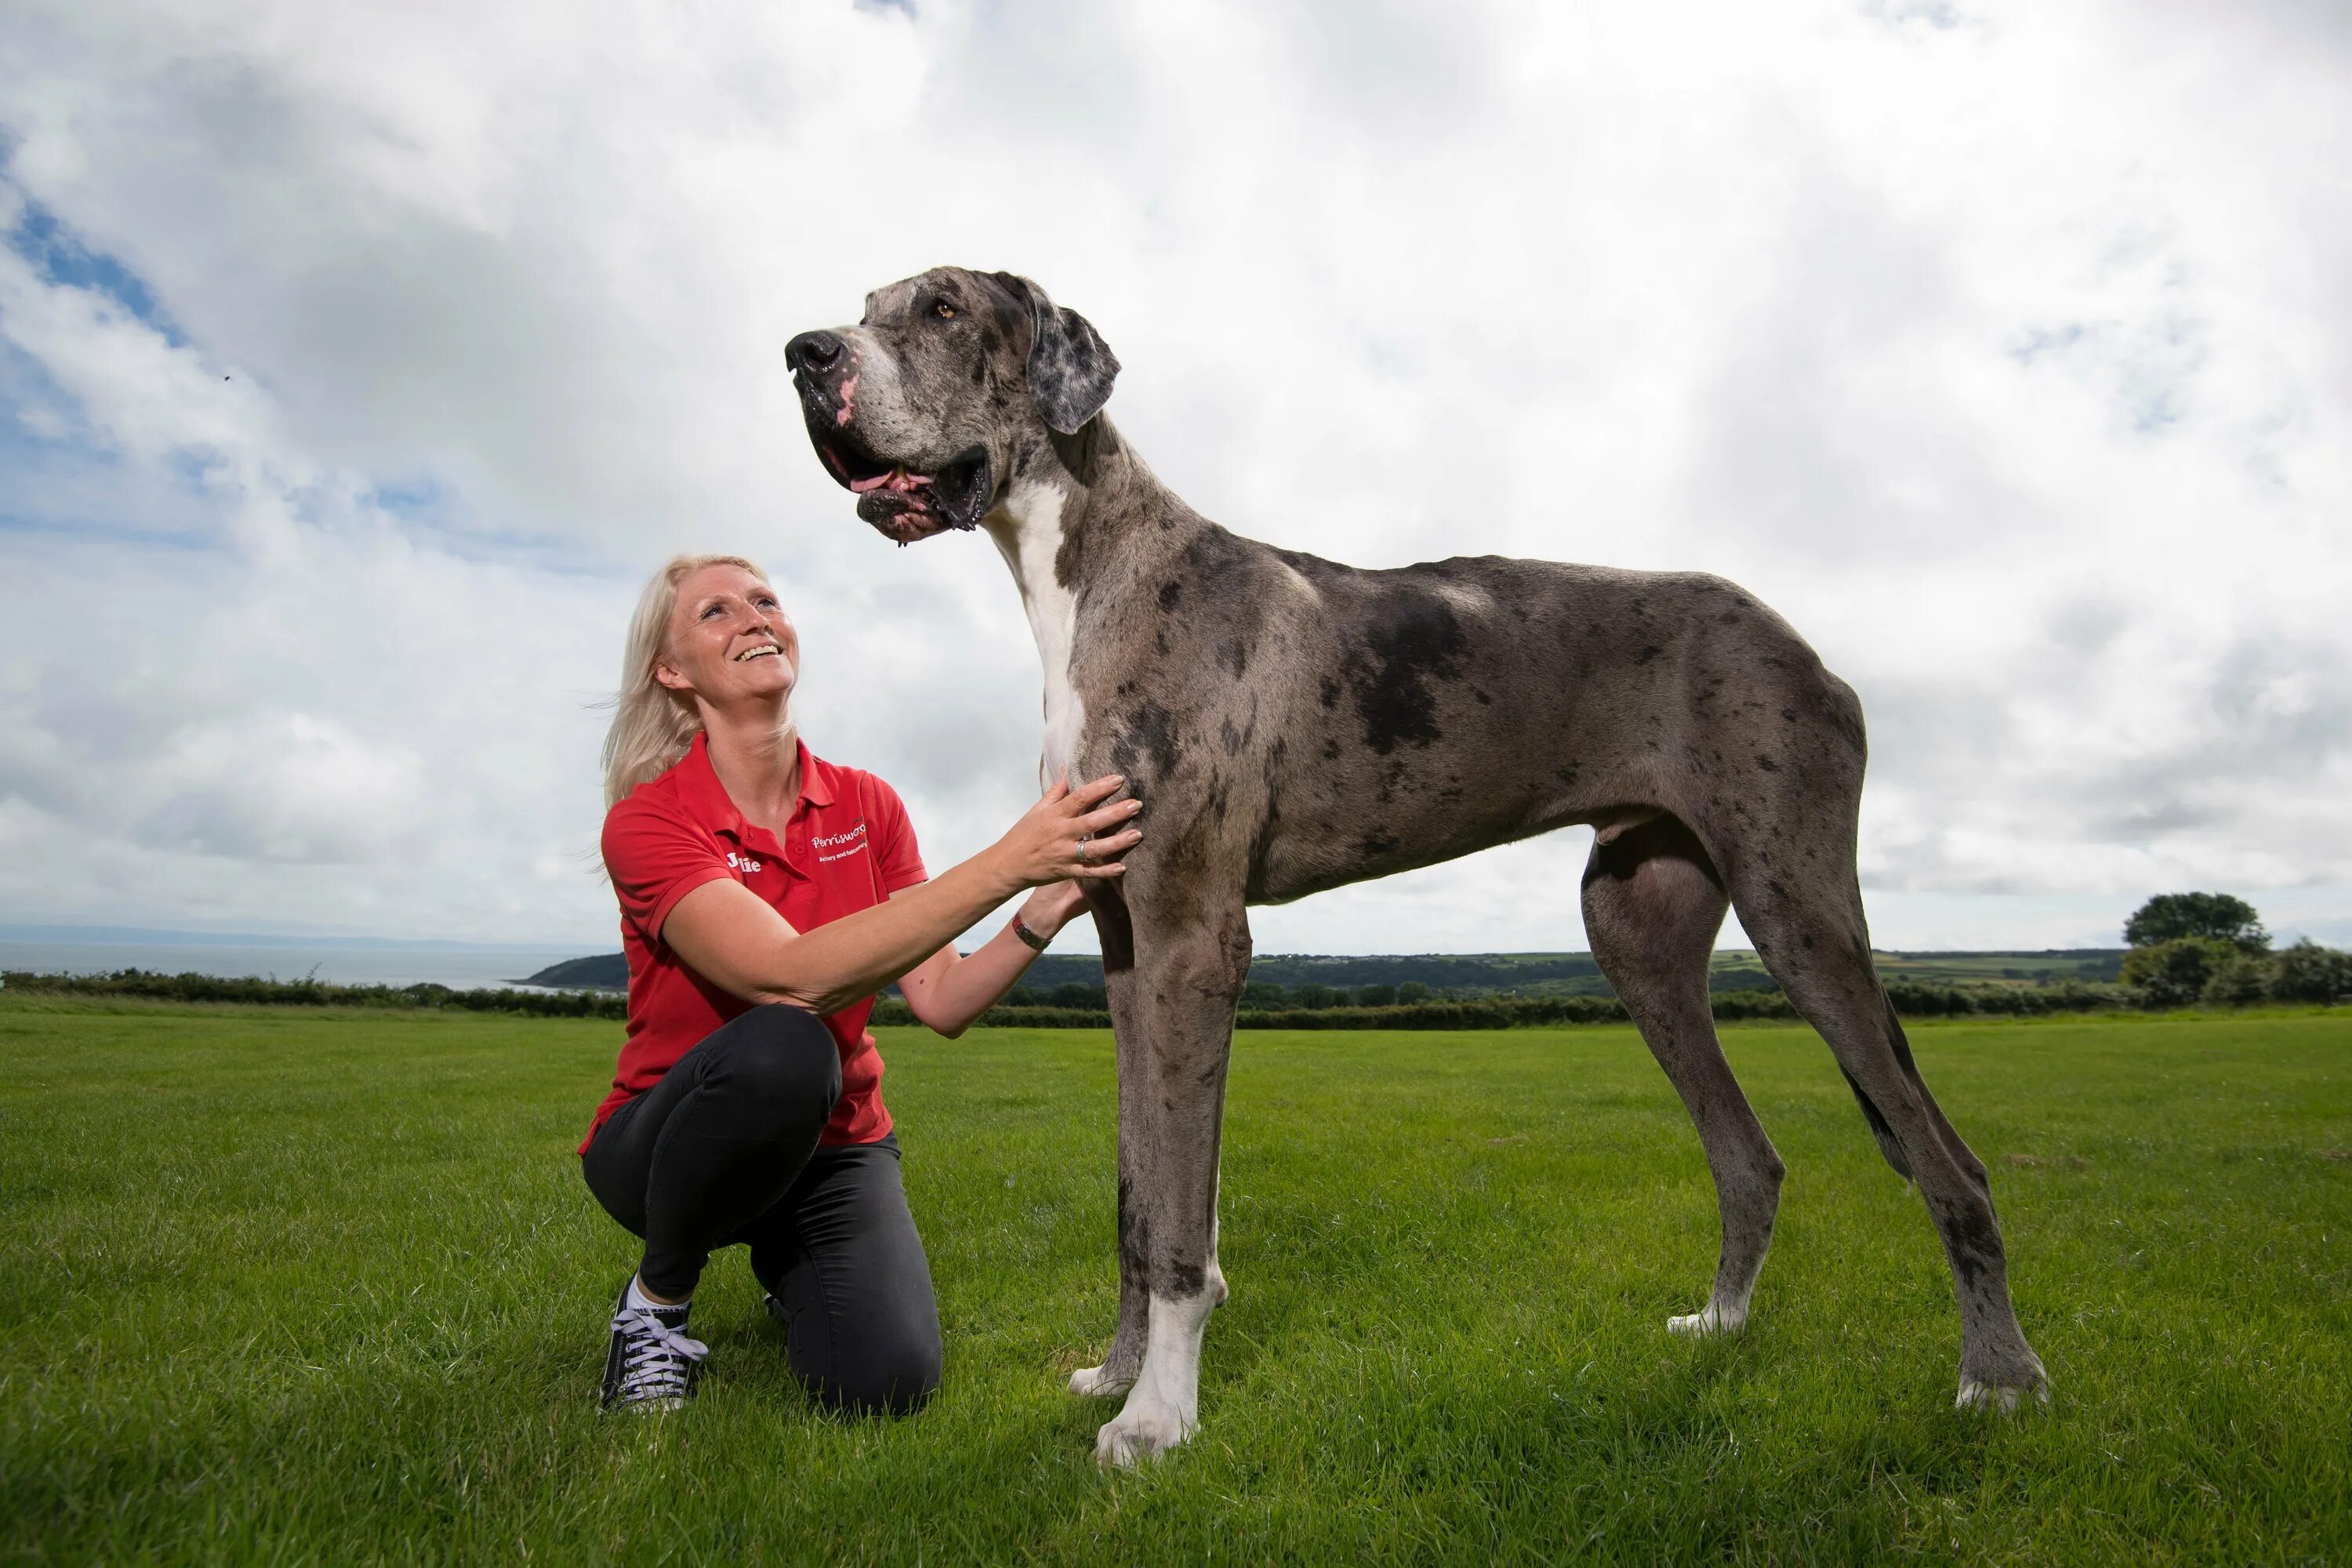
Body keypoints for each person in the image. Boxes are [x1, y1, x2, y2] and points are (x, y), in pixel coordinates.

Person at [581, 553, 1142, 1414]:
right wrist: (1009, 857)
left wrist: (1045, 902)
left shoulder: (866, 806)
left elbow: (941, 999)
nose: (756, 618)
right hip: (664, 1146)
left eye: (766, 601)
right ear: (672, 669)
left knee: (883, 1382)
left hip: (834, 1146)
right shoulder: (650, 820)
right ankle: (656, 1304)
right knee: (788, 1043)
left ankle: (790, 1263)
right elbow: (786, 974)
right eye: (717, 613)